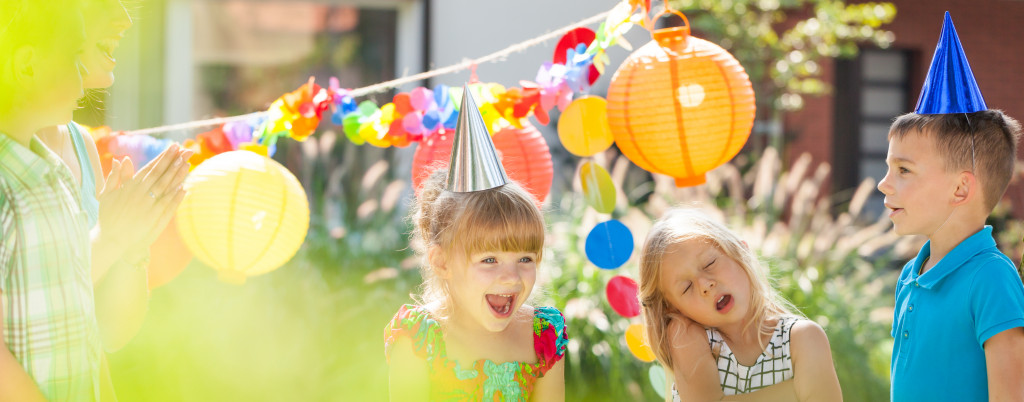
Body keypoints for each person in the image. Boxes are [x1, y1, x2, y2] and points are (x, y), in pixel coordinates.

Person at [383, 88, 567, 401]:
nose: (511, 277)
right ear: (442, 262)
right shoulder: (420, 338)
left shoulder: (543, 336)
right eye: (489, 260)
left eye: (525, 259)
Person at [878, 13, 1024, 401]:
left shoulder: (991, 278)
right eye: (888, 167)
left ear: (961, 188)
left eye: (903, 169)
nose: (883, 183)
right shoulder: (910, 274)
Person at [36, 0, 191, 354]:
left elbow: (110, 334)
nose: (125, 17)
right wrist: (110, 237)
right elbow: (22, 315)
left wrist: (133, 249)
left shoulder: (81, 145)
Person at [0, 1, 102, 400]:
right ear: (26, 67)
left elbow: (87, 330)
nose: (85, 76)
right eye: (76, 56)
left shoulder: (56, 176)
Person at [638, 208, 842, 401]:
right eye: (686, 287)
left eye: (710, 263)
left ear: (741, 252)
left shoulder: (802, 339)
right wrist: (796, 390)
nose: (705, 285)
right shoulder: (687, 335)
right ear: (674, 309)